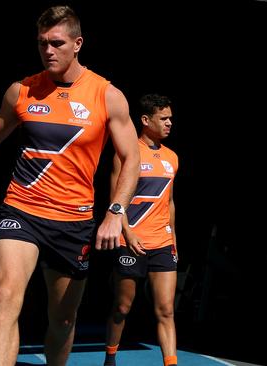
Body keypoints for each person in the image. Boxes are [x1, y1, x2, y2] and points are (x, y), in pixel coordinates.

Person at [0, 5, 140, 366]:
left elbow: (132, 159)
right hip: (21, 211)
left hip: (74, 222)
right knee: (5, 300)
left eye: (56, 43)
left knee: (63, 319)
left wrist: (116, 212)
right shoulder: (22, 91)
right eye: (41, 43)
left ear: (78, 43)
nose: (47, 50)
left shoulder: (106, 95)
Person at [103, 94, 179, 366]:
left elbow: (169, 203)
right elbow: (115, 200)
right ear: (146, 120)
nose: (170, 123)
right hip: (131, 241)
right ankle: (110, 357)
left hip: (162, 242)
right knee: (122, 307)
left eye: (170, 118)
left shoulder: (172, 157)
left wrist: (174, 242)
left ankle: (170, 363)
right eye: (164, 118)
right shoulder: (127, 153)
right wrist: (127, 233)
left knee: (166, 310)